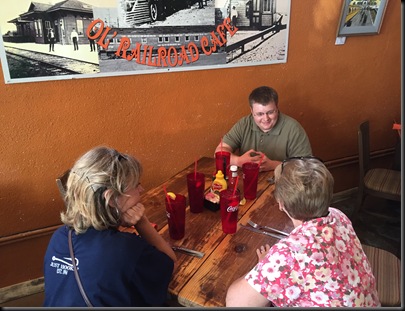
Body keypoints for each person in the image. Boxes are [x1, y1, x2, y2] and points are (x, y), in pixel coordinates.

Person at [226, 157, 381, 307]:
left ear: (281, 203)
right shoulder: (338, 216)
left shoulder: (289, 254)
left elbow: (235, 302)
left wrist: (263, 268)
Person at [43, 146, 177, 307]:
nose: (141, 189)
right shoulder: (126, 248)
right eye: (136, 184)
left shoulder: (60, 236)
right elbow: (169, 264)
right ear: (111, 198)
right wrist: (141, 222)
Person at [214, 86, 312, 172]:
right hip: (248, 180)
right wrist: (238, 161)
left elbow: (307, 167)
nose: (266, 119)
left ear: (277, 108)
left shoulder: (293, 128)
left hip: (284, 184)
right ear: (252, 111)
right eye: (260, 114)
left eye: (270, 112)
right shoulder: (244, 124)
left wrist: (273, 165)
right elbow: (218, 152)